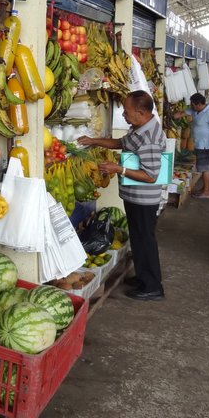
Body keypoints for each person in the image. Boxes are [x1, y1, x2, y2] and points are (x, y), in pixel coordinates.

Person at [78, 90, 167, 301]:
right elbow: (122, 143)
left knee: (145, 240)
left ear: (141, 112)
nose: (124, 115)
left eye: (126, 111)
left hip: (144, 199)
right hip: (135, 197)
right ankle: (144, 278)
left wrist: (119, 169)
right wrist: (94, 141)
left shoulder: (150, 138)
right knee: (138, 239)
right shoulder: (140, 128)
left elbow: (151, 175)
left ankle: (152, 287)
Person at [179, 93, 209, 199]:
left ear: (198, 104)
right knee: (203, 168)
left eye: (192, 104)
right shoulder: (196, 110)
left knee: (205, 168)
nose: (191, 106)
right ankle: (204, 189)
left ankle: (207, 192)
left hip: (205, 145)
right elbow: (181, 113)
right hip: (199, 144)